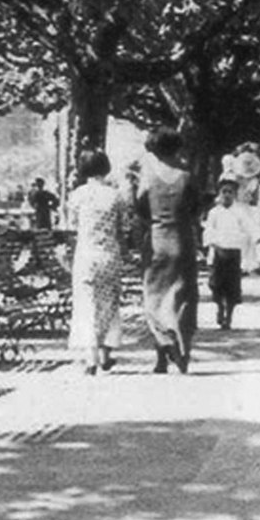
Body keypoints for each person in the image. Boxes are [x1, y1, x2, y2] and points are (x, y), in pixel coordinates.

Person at [134, 128, 201, 374]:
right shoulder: (187, 177)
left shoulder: (148, 179)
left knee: (154, 298)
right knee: (184, 298)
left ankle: (163, 352)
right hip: (183, 240)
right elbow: (196, 209)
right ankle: (183, 352)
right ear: (178, 148)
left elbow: (139, 208)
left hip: (156, 242)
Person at [64, 150, 131, 374]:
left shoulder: (77, 196)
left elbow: (71, 228)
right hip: (110, 254)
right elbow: (124, 229)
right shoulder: (116, 196)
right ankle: (106, 353)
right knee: (109, 304)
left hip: (85, 254)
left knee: (86, 305)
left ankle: (90, 358)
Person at [203, 174, 260, 331]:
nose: (227, 195)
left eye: (230, 192)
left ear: (235, 195)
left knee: (232, 287)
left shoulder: (240, 212)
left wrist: (258, 238)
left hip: (234, 253)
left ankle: (228, 316)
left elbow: (250, 227)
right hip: (218, 252)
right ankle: (219, 308)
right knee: (216, 285)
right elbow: (209, 231)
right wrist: (214, 245)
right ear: (219, 194)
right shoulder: (214, 212)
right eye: (224, 192)